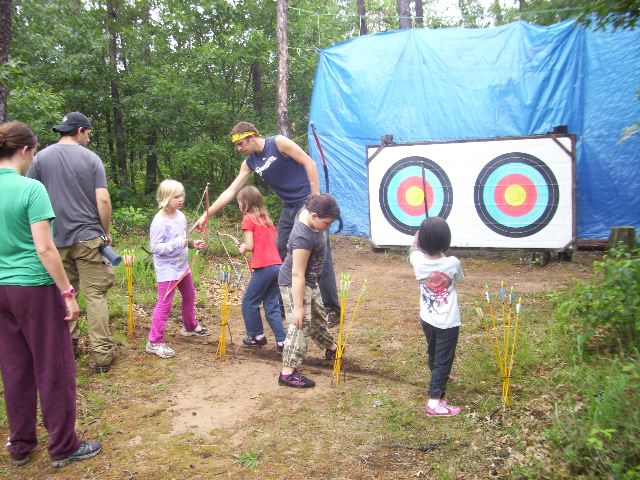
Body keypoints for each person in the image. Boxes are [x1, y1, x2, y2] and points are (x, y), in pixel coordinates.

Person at [0, 121, 102, 468]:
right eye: (33, 152)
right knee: (53, 364)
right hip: (34, 288)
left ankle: (20, 444)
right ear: (25, 150)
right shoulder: (31, 189)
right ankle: (63, 445)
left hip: (2, 290)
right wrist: (67, 292)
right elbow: (45, 248)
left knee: (14, 366)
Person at [193, 122, 341, 326]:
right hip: (289, 206)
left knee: (318, 251)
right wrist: (206, 215)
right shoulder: (250, 163)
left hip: (306, 203)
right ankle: (288, 302)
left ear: (251, 136)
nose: (239, 149)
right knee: (281, 251)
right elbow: (231, 191)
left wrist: (314, 197)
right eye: (236, 146)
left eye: (240, 144)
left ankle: (331, 308)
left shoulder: (278, 143)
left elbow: (310, 163)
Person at [26, 112, 116, 373]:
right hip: (88, 238)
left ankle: (68, 347)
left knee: (66, 293)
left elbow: (29, 194)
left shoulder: (40, 158)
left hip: (54, 239)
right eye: (88, 133)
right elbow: (103, 199)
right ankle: (102, 356)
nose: (89, 138)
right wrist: (105, 231)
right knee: (95, 294)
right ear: (80, 131)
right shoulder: (91, 159)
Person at [278, 194, 341, 388]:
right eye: (326, 223)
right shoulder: (303, 237)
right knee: (300, 325)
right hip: (295, 284)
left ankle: (331, 348)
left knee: (319, 317)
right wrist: (298, 308)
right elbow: (297, 274)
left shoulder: (308, 210)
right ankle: (287, 373)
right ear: (314, 216)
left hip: (310, 281)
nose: (327, 227)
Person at [146, 179, 210, 359]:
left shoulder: (180, 216)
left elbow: (183, 240)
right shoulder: (159, 221)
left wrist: (192, 243)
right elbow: (156, 248)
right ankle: (154, 341)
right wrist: (177, 243)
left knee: (189, 295)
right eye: (176, 196)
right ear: (166, 198)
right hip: (167, 269)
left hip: (182, 266)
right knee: (164, 304)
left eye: (181, 195)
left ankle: (190, 326)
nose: (180, 199)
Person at [409, 217, 464, 416]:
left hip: (427, 318)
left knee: (434, 352)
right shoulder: (453, 262)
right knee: (444, 359)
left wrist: (418, 235)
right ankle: (434, 403)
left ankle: (438, 376)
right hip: (448, 322)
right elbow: (459, 278)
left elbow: (413, 249)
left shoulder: (417, 260)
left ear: (422, 242)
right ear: (446, 241)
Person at [236, 185, 287, 350]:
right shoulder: (266, 219)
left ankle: (256, 335)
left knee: (249, 302)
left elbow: (250, 245)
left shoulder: (248, 219)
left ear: (246, 202)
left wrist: (243, 248)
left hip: (264, 267)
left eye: (239, 202)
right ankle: (282, 341)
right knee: (271, 305)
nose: (239, 205)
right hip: (278, 267)